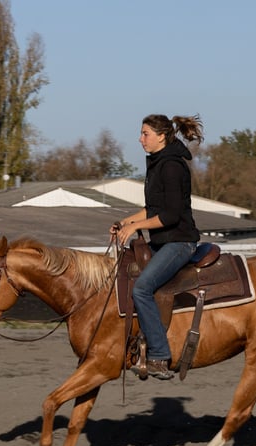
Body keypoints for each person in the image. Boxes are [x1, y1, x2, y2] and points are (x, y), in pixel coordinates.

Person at [111, 114, 204, 380]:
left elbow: (171, 216)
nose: (140, 139)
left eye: (145, 134)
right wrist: (124, 222)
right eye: (141, 134)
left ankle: (160, 356)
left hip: (179, 242)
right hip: (163, 242)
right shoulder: (157, 163)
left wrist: (135, 228)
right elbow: (152, 210)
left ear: (161, 136)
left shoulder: (172, 166)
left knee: (142, 289)